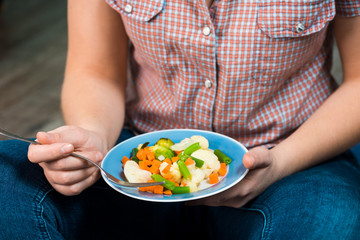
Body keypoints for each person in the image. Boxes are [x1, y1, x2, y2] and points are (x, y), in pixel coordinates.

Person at [1, 0, 360, 239]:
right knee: (8, 183)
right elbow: (95, 70)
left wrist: (282, 161)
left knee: (331, 219)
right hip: (136, 155)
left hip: (293, 155)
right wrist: (94, 136)